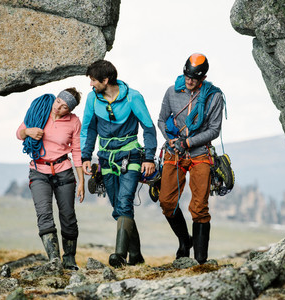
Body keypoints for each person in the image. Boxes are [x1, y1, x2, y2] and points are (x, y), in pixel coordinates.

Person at [81, 60, 157, 268]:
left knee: (124, 202)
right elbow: (89, 129)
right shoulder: (92, 99)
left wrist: (149, 158)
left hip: (131, 157)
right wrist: (86, 157)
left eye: (94, 80)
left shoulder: (133, 97)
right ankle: (136, 255)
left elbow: (149, 128)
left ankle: (119, 255)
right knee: (118, 207)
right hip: (105, 158)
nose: (91, 84)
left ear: (106, 80)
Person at [157, 53, 224, 264]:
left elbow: (214, 130)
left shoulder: (214, 97)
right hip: (174, 152)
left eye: (195, 77)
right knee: (167, 202)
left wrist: (188, 142)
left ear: (203, 77)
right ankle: (185, 241)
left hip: (200, 153)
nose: (190, 80)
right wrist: (170, 140)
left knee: (199, 207)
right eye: (187, 75)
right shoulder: (171, 91)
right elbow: (161, 120)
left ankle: (201, 261)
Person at [16, 88, 84, 270]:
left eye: (64, 106)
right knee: (44, 215)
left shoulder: (74, 122)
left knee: (68, 216)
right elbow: (19, 133)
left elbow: (77, 151)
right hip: (38, 171)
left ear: (70, 110)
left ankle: (69, 259)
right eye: (59, 101)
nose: (59, 107)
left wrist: (82, 182)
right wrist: (28, 132)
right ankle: (54, 260)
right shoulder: (41, 109)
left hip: (64, 171)